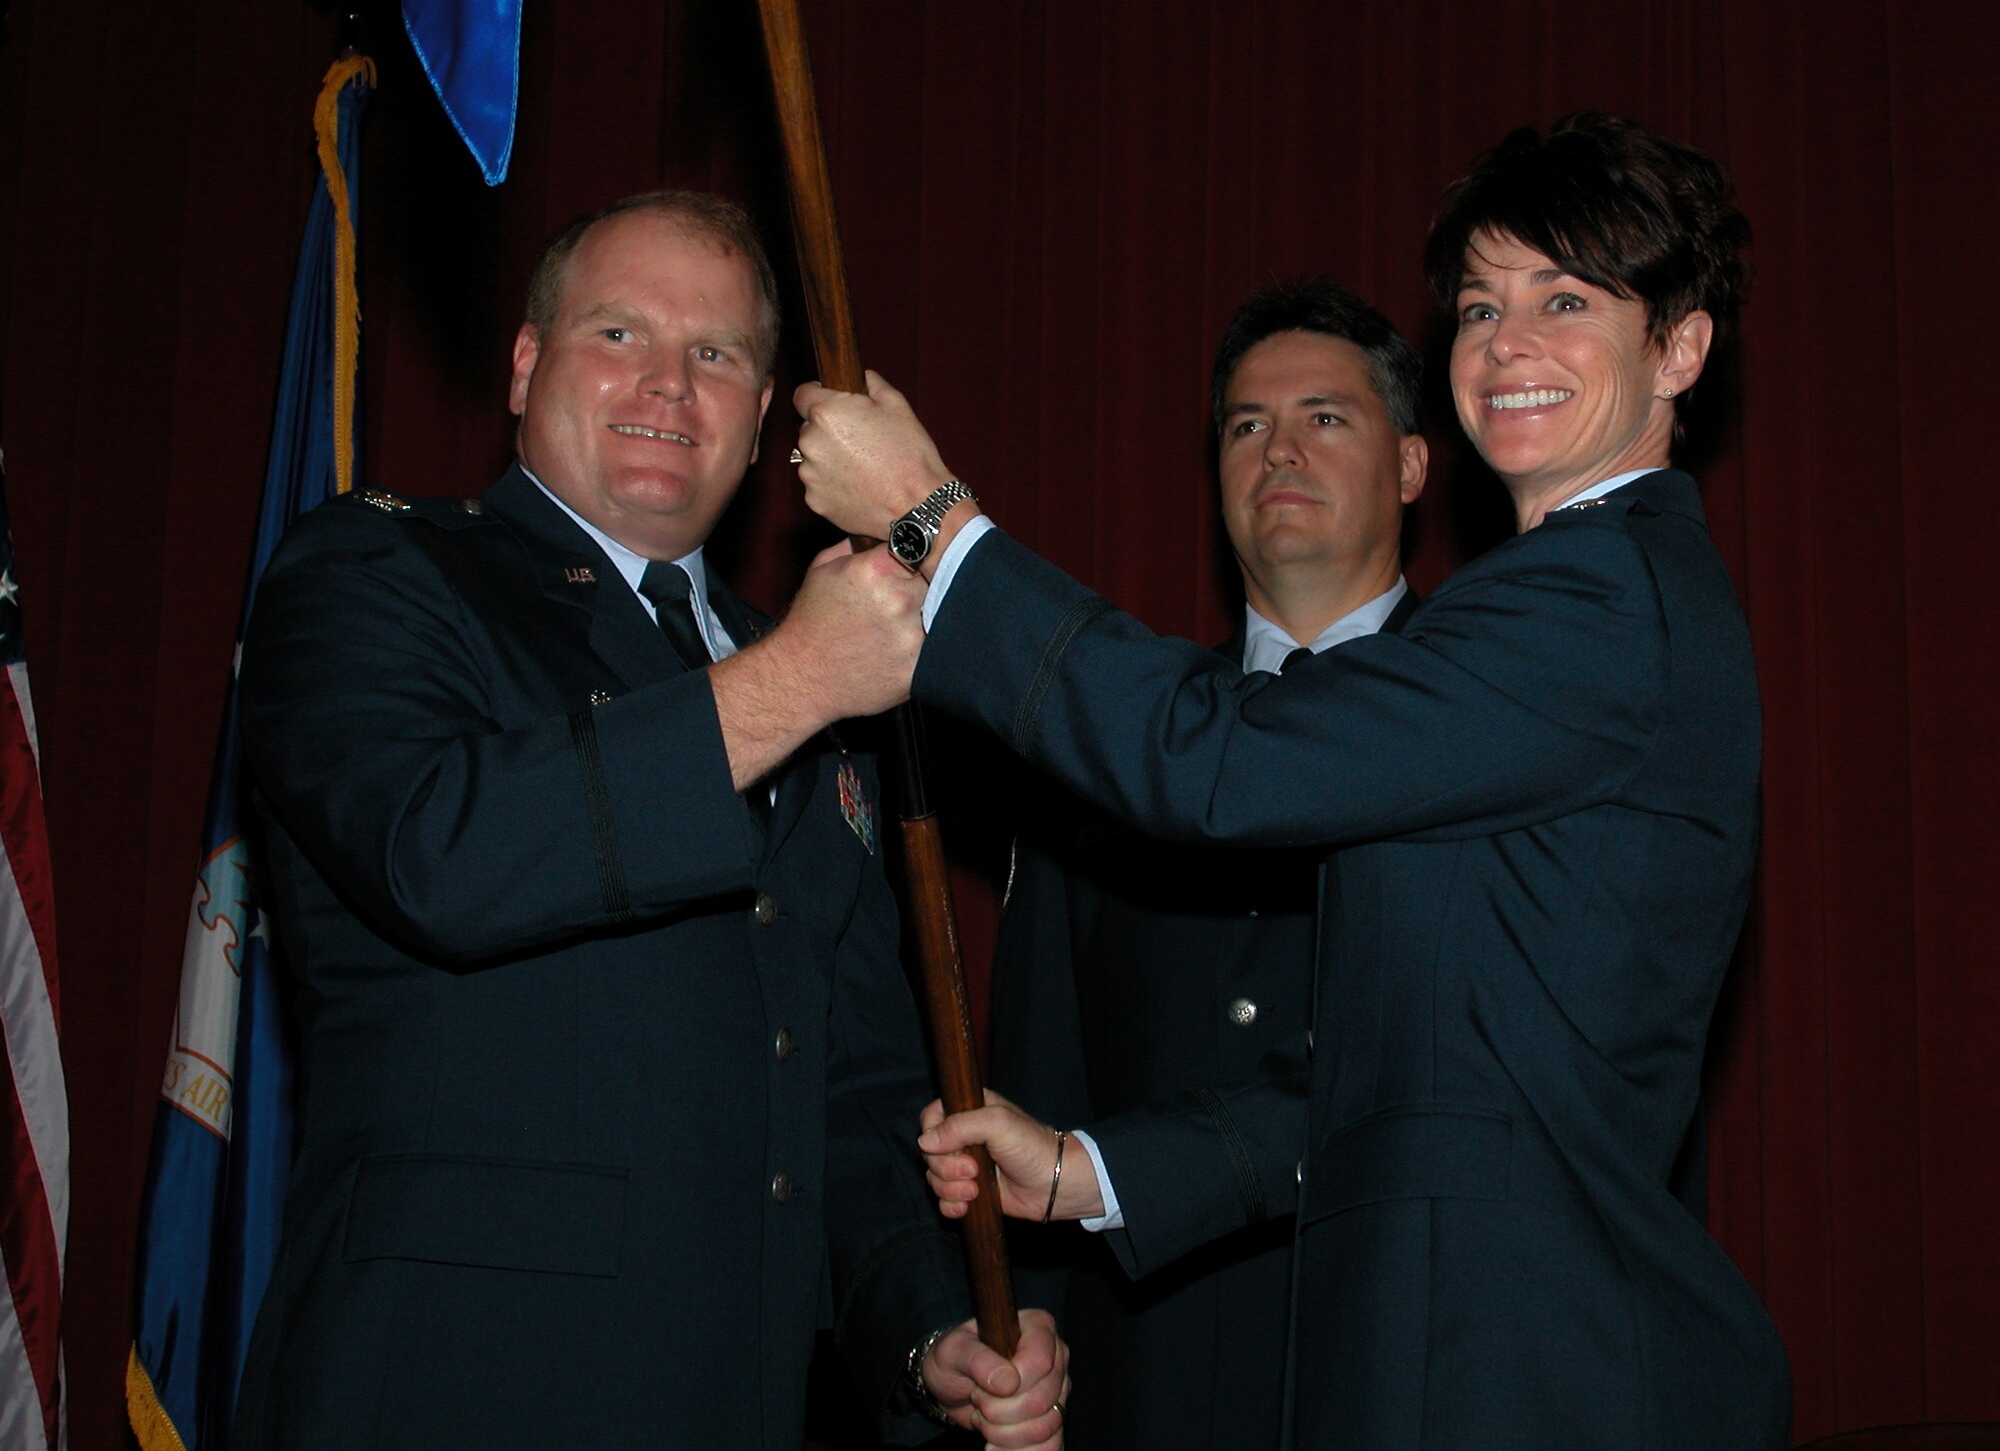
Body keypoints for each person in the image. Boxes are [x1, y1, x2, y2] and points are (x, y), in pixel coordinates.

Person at [789, 114, 1792, 1448]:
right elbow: (1413, 1086)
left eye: (1567, 299)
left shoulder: (1598, 598)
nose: (1506, 345)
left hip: (1532, 1384)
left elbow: (1217, 761)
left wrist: (934, 523)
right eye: (1482, 305)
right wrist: (1094, 1168)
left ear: (1680, 345)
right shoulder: (1552, 609)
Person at [231, 191, 1065, 1451]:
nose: (669, 385)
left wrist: (926, 1331)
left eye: (716, 355)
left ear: (765, 426)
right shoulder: (378, 571)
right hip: (447, 1389)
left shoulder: (817, 688)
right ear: (523, 366)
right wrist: (794, 681)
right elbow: (441, 850)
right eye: (619, 335)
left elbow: (849, 1094)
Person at [986, 280, 1425, 1450]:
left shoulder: (1485, 720)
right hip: (1149, 1378)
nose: (1277, 448)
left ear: (1414, 465)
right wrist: (1020, 1333)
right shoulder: (1105, 741)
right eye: (1244, 424)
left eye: (1324, 417)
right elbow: (1038, 1076)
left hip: (1403, 1362)